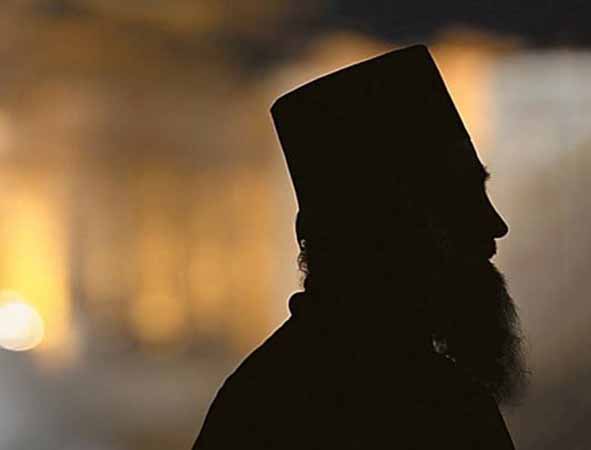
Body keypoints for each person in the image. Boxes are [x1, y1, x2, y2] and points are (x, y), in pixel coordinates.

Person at [192, 44, 527, 449]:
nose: (494, 226)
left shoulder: (256, 400)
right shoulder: (443, 407)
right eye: (459, 200)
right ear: (386, 226)